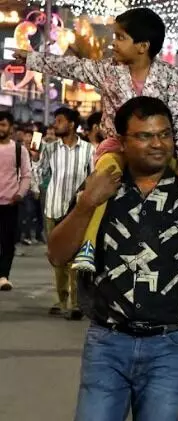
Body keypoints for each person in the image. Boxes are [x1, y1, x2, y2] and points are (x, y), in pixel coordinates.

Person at [47, 97, 178, 421]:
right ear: (122, 141)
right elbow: (57, 254)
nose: (157, 144)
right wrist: (86, 204)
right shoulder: (101, 185)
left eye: (164, 135)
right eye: (145, 136)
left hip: (170, 347)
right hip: (107, 344)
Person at [15, 7, 178, 275]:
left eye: (121, 37)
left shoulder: (168, 75)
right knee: (101, 180)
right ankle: (88, 245)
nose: (114, 43)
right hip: (117, 147)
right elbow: (71, 67)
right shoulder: (108, 70)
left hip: (157, 149)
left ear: (143, 46)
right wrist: (32, 59)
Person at [32, 107, 94, 319]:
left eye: (59, 120)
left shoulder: (88, 150)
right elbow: (39, 173)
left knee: (76, 258)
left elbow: (93, 177)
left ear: (72, 124)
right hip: (54, 209)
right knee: (58, 258)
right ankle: (61, 299)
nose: (55, 124)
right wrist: (35, 159)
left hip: (77, 212)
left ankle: (76, 304)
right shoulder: (50, 149)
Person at [0, 111, 31, 291]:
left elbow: (26, 175)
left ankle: (3, 276)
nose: (0, 128)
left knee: (8, 242)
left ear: (11, 128)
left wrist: (19, 194)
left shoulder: (19, 150)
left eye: (3, 125)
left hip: (10, 204)